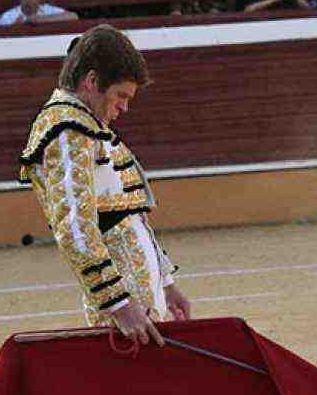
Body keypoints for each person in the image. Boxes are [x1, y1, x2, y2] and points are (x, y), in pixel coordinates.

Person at [18, 24, 191, 345]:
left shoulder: (88, 127)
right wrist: (119, 304)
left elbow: (128, 217)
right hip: (125, 303)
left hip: (138, 296)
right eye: (120, 95)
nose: (124, 106)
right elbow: (75, 228)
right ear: (92, 81)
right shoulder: (68, 131)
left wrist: (165, 282)